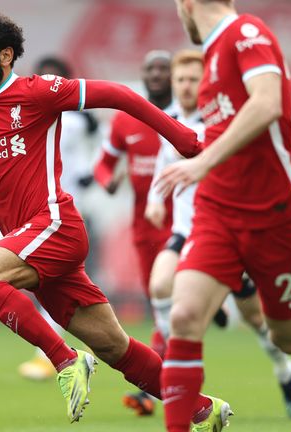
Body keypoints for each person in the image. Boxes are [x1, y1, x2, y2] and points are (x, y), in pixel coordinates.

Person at [0, 8, 227, 428]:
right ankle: (202, 410)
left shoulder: (39, 92)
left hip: (53, 225)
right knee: (114, 347)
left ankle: (65, 361)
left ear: (6, 56)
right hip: (34, 243)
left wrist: (183, 137)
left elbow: (119, 96)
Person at [157, 1, 291, 431]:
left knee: (286, 336)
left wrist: (202, 161)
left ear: (187, 4)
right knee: (184, 315)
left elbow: (268, 102)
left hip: (275, 218)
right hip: (217, 214)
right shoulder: (212, 55)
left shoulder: (247, 33)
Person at [143, 49, 291, 419]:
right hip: (187, 232)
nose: (185, 86)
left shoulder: (223, 126)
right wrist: (155, 201)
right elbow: (161, 169)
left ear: (206, 86)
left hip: (226, 235)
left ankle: (283, 369)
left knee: (259, 322)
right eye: (180, 80)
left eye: (192, 80)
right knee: (158, 284)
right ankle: (168, 370)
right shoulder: (168, 122)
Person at [17, 56, 99, 382]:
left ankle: (48, 355)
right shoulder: (75, 122)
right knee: (66, 287)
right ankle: (76, 354)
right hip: (47, 211)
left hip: (64, 213)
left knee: (47, 283)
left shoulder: (73, 122)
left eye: (56, 80)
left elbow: (87, 162)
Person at [93, 49, 176, 360]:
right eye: (150, 68)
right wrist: (107, 181)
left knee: (170, 292)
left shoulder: (188, 116)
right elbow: (102, 165)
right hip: (145, 224)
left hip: (184, 220)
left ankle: (161, 365)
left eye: (163, 68)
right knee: (156, 296)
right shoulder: (126, 119)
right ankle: (168, 364)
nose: (156, 74)